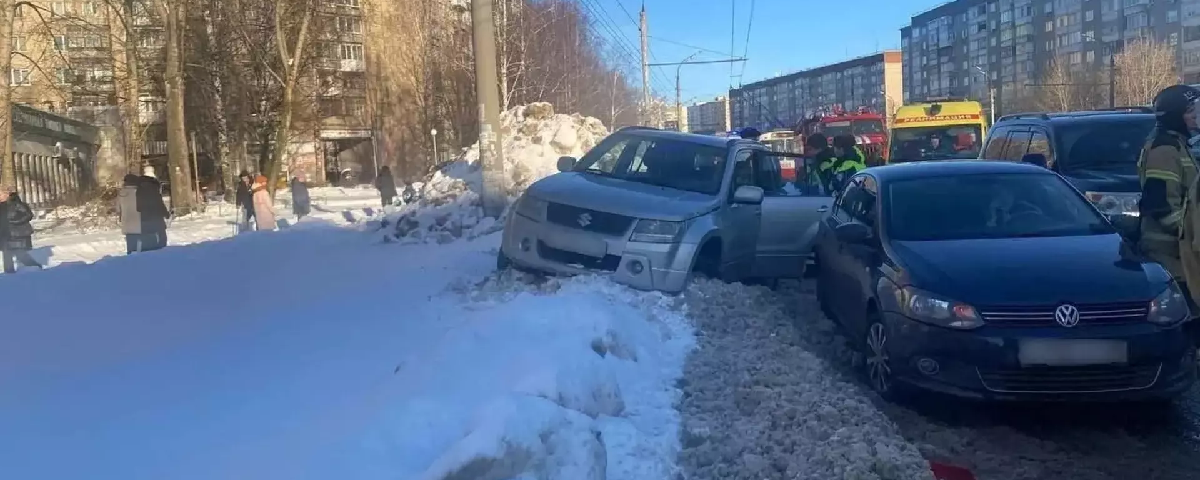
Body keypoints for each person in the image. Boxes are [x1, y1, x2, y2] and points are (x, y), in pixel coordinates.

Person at [1138, 85, 1200, 294]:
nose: (1196, 117)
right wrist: (1191, 234)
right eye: (1190, 111)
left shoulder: (1179, 145)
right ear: (1175, 116)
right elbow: (1161, 206)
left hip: (1182, 253)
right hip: (1170, 256)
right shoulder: (1164, 149)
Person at [0, 190, 41, 273]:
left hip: (16, 234)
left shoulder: (17, 203)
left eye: (1, 193)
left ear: (8, 194)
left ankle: (36, 267)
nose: (0, 196)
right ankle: (9, 272)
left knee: (19, 253)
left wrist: (15, 221)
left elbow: (28, 215)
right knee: (6, 254)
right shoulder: (2, 206)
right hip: (4, 234)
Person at [137, 173, 171, 251]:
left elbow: (137, 207)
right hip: (156, 218)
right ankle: (161, 249)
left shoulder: (138, 191)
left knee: (146, 236)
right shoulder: (154, 189)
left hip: (144, 219)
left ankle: (148, 249)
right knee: (161, 235)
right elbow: (159, 203)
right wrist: (166, 214)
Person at [116, 174, 142, 253]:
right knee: (141, 247)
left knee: (130, 247)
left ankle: (130, 260)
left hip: (127, 222)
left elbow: (118, 208)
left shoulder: (121, 193)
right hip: (139, 222)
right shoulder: (140, 192)